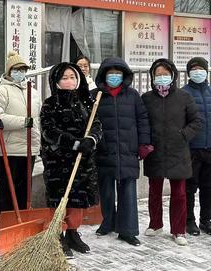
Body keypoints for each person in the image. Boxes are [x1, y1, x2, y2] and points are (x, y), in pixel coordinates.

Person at [40, 62, 102, 258]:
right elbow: (49, 131)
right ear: (57, 82)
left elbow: (97, 125)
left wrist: (91, 140)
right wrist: (74, 143)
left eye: (73, 77)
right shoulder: (50, 104)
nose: (69, 81)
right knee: (60, 199)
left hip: (83, 161)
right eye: (64, 78)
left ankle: (73, 233)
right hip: (58, 161)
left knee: (77, 199)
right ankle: (58, 235)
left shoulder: (87, 102)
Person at [142, 58, 202, 246]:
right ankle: (155, 224)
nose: (162, 77)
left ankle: (179, 230)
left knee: (179, 194)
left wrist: (183, 135)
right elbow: (142, 123)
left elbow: (196, 122)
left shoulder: (184, 97)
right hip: (155, 152)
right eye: (158, 74)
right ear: (152, 77)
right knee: (154, 191)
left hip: (178, 152)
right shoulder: (147, 98)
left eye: (165, 74)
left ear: (173, 75)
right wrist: (145, 142)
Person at [93, 57, 151, 246]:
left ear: (125, 75)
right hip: (105, 149)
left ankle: (128, 230)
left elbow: (143, 120)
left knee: (128, 190)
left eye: (118, 73)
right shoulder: (96, 96)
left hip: (128, 149)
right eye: (111, 73)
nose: (115, 77)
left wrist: (144, 144)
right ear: (103, 75)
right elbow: (89, 123)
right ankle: (108, 222)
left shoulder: (133, 96)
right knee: (106, 190)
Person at [0, 51, 41, 213]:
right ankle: (6, 222)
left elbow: (38, 120)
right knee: (8, 190)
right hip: (10, 149)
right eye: (16, 69)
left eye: (23, 70)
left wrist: (38, 142)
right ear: (9, 71)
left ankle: (23, 221)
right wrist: (23, 122)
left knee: (25, 189)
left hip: (30, 148)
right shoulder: (1, 91)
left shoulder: (33, 93)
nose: (19, 73)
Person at [182, 57, 211, 236]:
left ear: (207, 71)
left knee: (208, 187)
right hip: (191, 149)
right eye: (194, 69)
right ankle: (189, 220)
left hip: (210, 148)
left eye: (201, 68)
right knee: (189, 187)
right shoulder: (183, 94)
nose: (198, 71)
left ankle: (206, 219)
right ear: (189, 72)